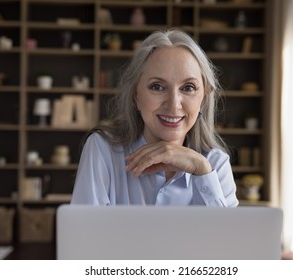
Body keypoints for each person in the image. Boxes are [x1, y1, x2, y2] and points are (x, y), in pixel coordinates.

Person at [71, 29, 238, 207]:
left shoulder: (215, 165)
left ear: (203, 98)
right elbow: (84, 233)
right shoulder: (102, 150)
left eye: (188, 87)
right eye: (157, 87)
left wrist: (201, 171)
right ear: (136, 95)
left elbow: (223, 235)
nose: (174, 104)